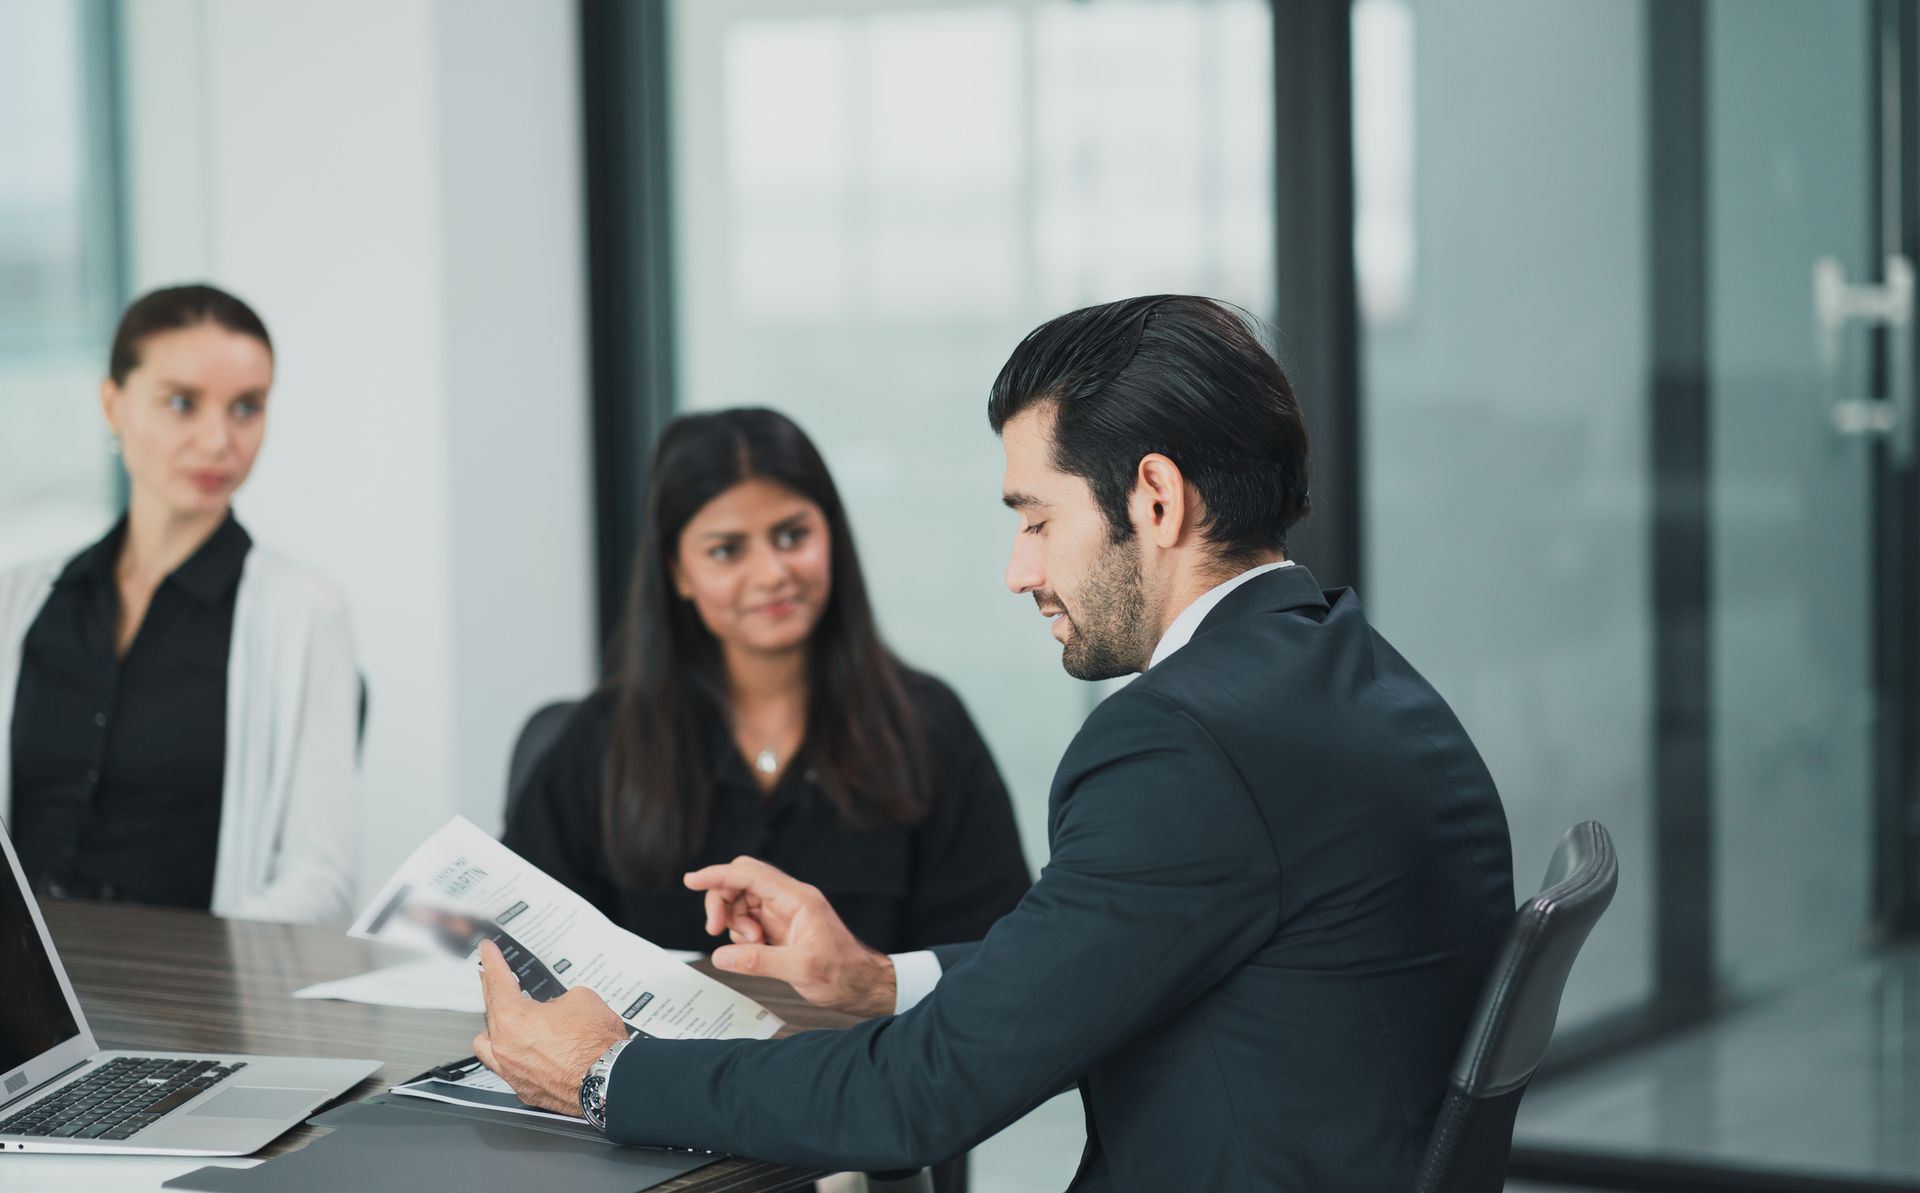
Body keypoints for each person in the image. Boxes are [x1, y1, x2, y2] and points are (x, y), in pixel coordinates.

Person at [472, 297, 1516, 1192]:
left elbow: (920, 1095)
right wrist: (884, 979)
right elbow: (1122, 943)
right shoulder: (1362, 679)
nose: (1020, 570)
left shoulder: (1184, 740)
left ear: (1155, 498)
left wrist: (611, 1072)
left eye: (1035, 517)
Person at [503, 407, 1029, 971]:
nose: (773, 573)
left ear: (832, 535)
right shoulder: (603, 739)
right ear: (678, 571)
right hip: (654, 1057)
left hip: (864, 1056)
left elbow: (992, 960)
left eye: (791, 535)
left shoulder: (927, 727)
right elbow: (521, 942)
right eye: (727, 550)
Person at [0, 284, 360, 924]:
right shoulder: (19, 598)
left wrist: (203, 981)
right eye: (181, 403)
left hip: (188, 1005)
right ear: (113, 405)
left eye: (246, 407)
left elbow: (322, 879)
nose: (219, 439)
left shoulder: (303, 614)